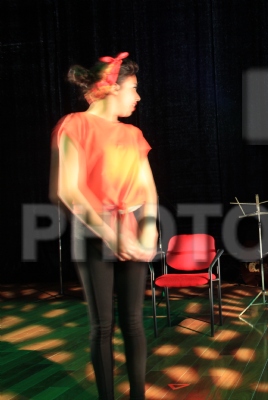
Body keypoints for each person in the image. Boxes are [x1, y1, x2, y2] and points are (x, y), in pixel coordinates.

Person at [49, 52, 157, 399]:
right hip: (93, 230)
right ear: (112, 88)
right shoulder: (75, 124)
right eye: (134, 88)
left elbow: (149, 191)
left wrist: (149, 231)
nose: (138, 97)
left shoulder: (133, 134)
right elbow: (67, 190)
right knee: (103, 325)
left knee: (134, 322)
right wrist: (111, 234)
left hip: (129, 226)